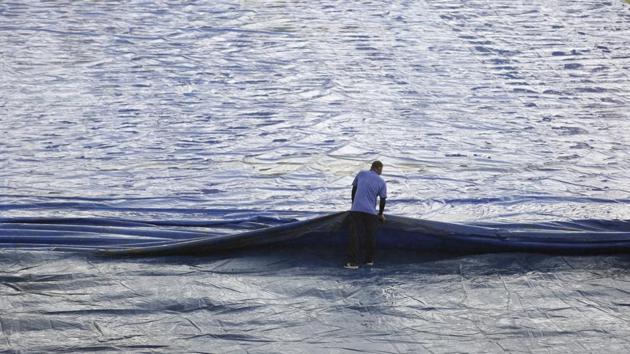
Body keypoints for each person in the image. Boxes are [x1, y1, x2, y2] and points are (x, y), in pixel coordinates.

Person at [346, 160, 387, 269]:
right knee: (370, 236)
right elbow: (383, 200)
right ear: (378, 168)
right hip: (371, 213)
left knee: (355, 236)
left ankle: (353, 263)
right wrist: (381, 214)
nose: (382, 172)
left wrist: (353, 204)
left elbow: (354, 190)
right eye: (381, 169)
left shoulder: (361, 174)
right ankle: (369, 260)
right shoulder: (381, 182)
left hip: (356, 210)